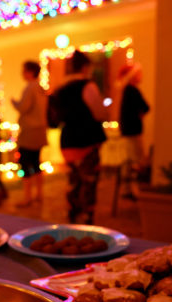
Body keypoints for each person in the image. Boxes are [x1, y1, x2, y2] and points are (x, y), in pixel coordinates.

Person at [53, 50, 107, 224]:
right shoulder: (87, 85)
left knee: (73, 181)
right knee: (89, 182)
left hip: (67, 141)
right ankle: (87, 218)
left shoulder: (60, 89)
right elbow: (100, 113)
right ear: (85, 67)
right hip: (87, 140)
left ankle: (73, 214)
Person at [11, 61, 48, 207]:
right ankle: (39, 194)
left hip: (30, 131)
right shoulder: (40, 88)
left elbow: (24, 107)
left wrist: (15, 103)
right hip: (40, 130)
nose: (22, 73)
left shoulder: (30, 88)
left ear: (30, 72)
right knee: (36, 162)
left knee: (26, 163)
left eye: (24, 70)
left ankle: (28, 197)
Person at [118, 63, 150, 197]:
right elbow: (146, 107)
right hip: (133, 131)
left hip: (127, 130)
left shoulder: (125, 91)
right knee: (135, 160)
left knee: (129, 159)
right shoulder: (132, 91)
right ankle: (134, 190)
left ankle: (127, 189)